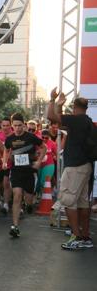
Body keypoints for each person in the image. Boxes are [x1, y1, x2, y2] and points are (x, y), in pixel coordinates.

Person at [47, 90, 94, 250]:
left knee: (68, 201)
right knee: (82, 202)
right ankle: (85, 237)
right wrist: (59, 106)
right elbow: (60, 122)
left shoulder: (77, 120)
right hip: (85, 166)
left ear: (74, 107)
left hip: (75, 167)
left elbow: (52, 118)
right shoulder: (87, 121)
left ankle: (77, 236)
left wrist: (52, 100)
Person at [3, 113, 46, 238]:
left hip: (29, 172)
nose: (18, 128)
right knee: (17, 196)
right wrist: (5, 162)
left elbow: (43, 147)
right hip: (16, 171)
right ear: (12, 126)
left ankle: (29, 205)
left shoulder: (31, 137)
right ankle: (15, 226)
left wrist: (39, 161)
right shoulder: (9, 139)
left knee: (28, 199)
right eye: (15, 126)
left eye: (20, 125)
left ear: (24, 125)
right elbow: (6, 150)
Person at [0, 117, 14, 215]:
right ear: (1, 126)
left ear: (11, 126)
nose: (5, 128)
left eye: (7, 126)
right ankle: (1, 197)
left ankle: (6, 204)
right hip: (0, 164)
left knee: (6, 183)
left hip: (12, 165)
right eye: (3, 126)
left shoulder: (15, 135)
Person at [35, 130, 57, 196]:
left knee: (43, 182)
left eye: (46, 138)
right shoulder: (37, 143)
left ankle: (45, 197)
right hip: (39, 165)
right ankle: (38, 195)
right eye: (43, 137)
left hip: (49, 164)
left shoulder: (52, 143)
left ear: (49, 137)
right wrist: (37, 154)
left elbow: (57, 153)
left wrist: (55, 157)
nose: (44, 139)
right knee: (38, 183)